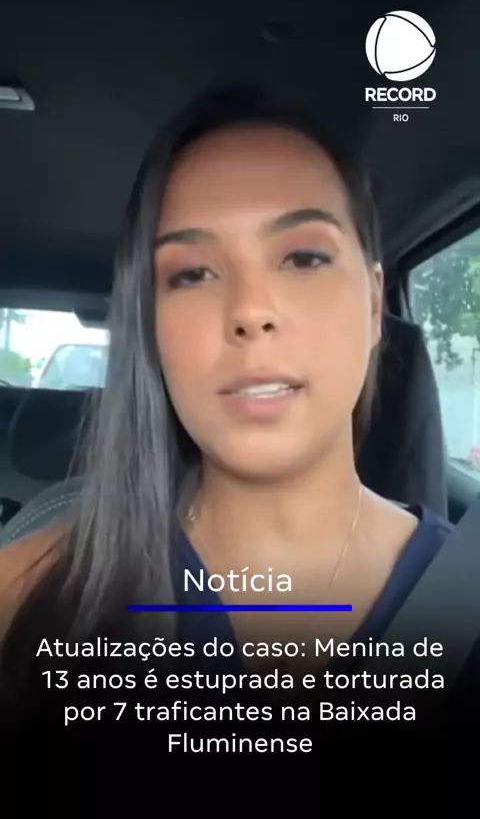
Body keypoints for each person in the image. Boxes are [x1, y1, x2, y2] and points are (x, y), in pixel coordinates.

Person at [0, 85, 454, 744]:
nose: (249, 310)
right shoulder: (24, 596)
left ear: (374, 301)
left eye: (303, 257)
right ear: (151, 328)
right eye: (192, 274)